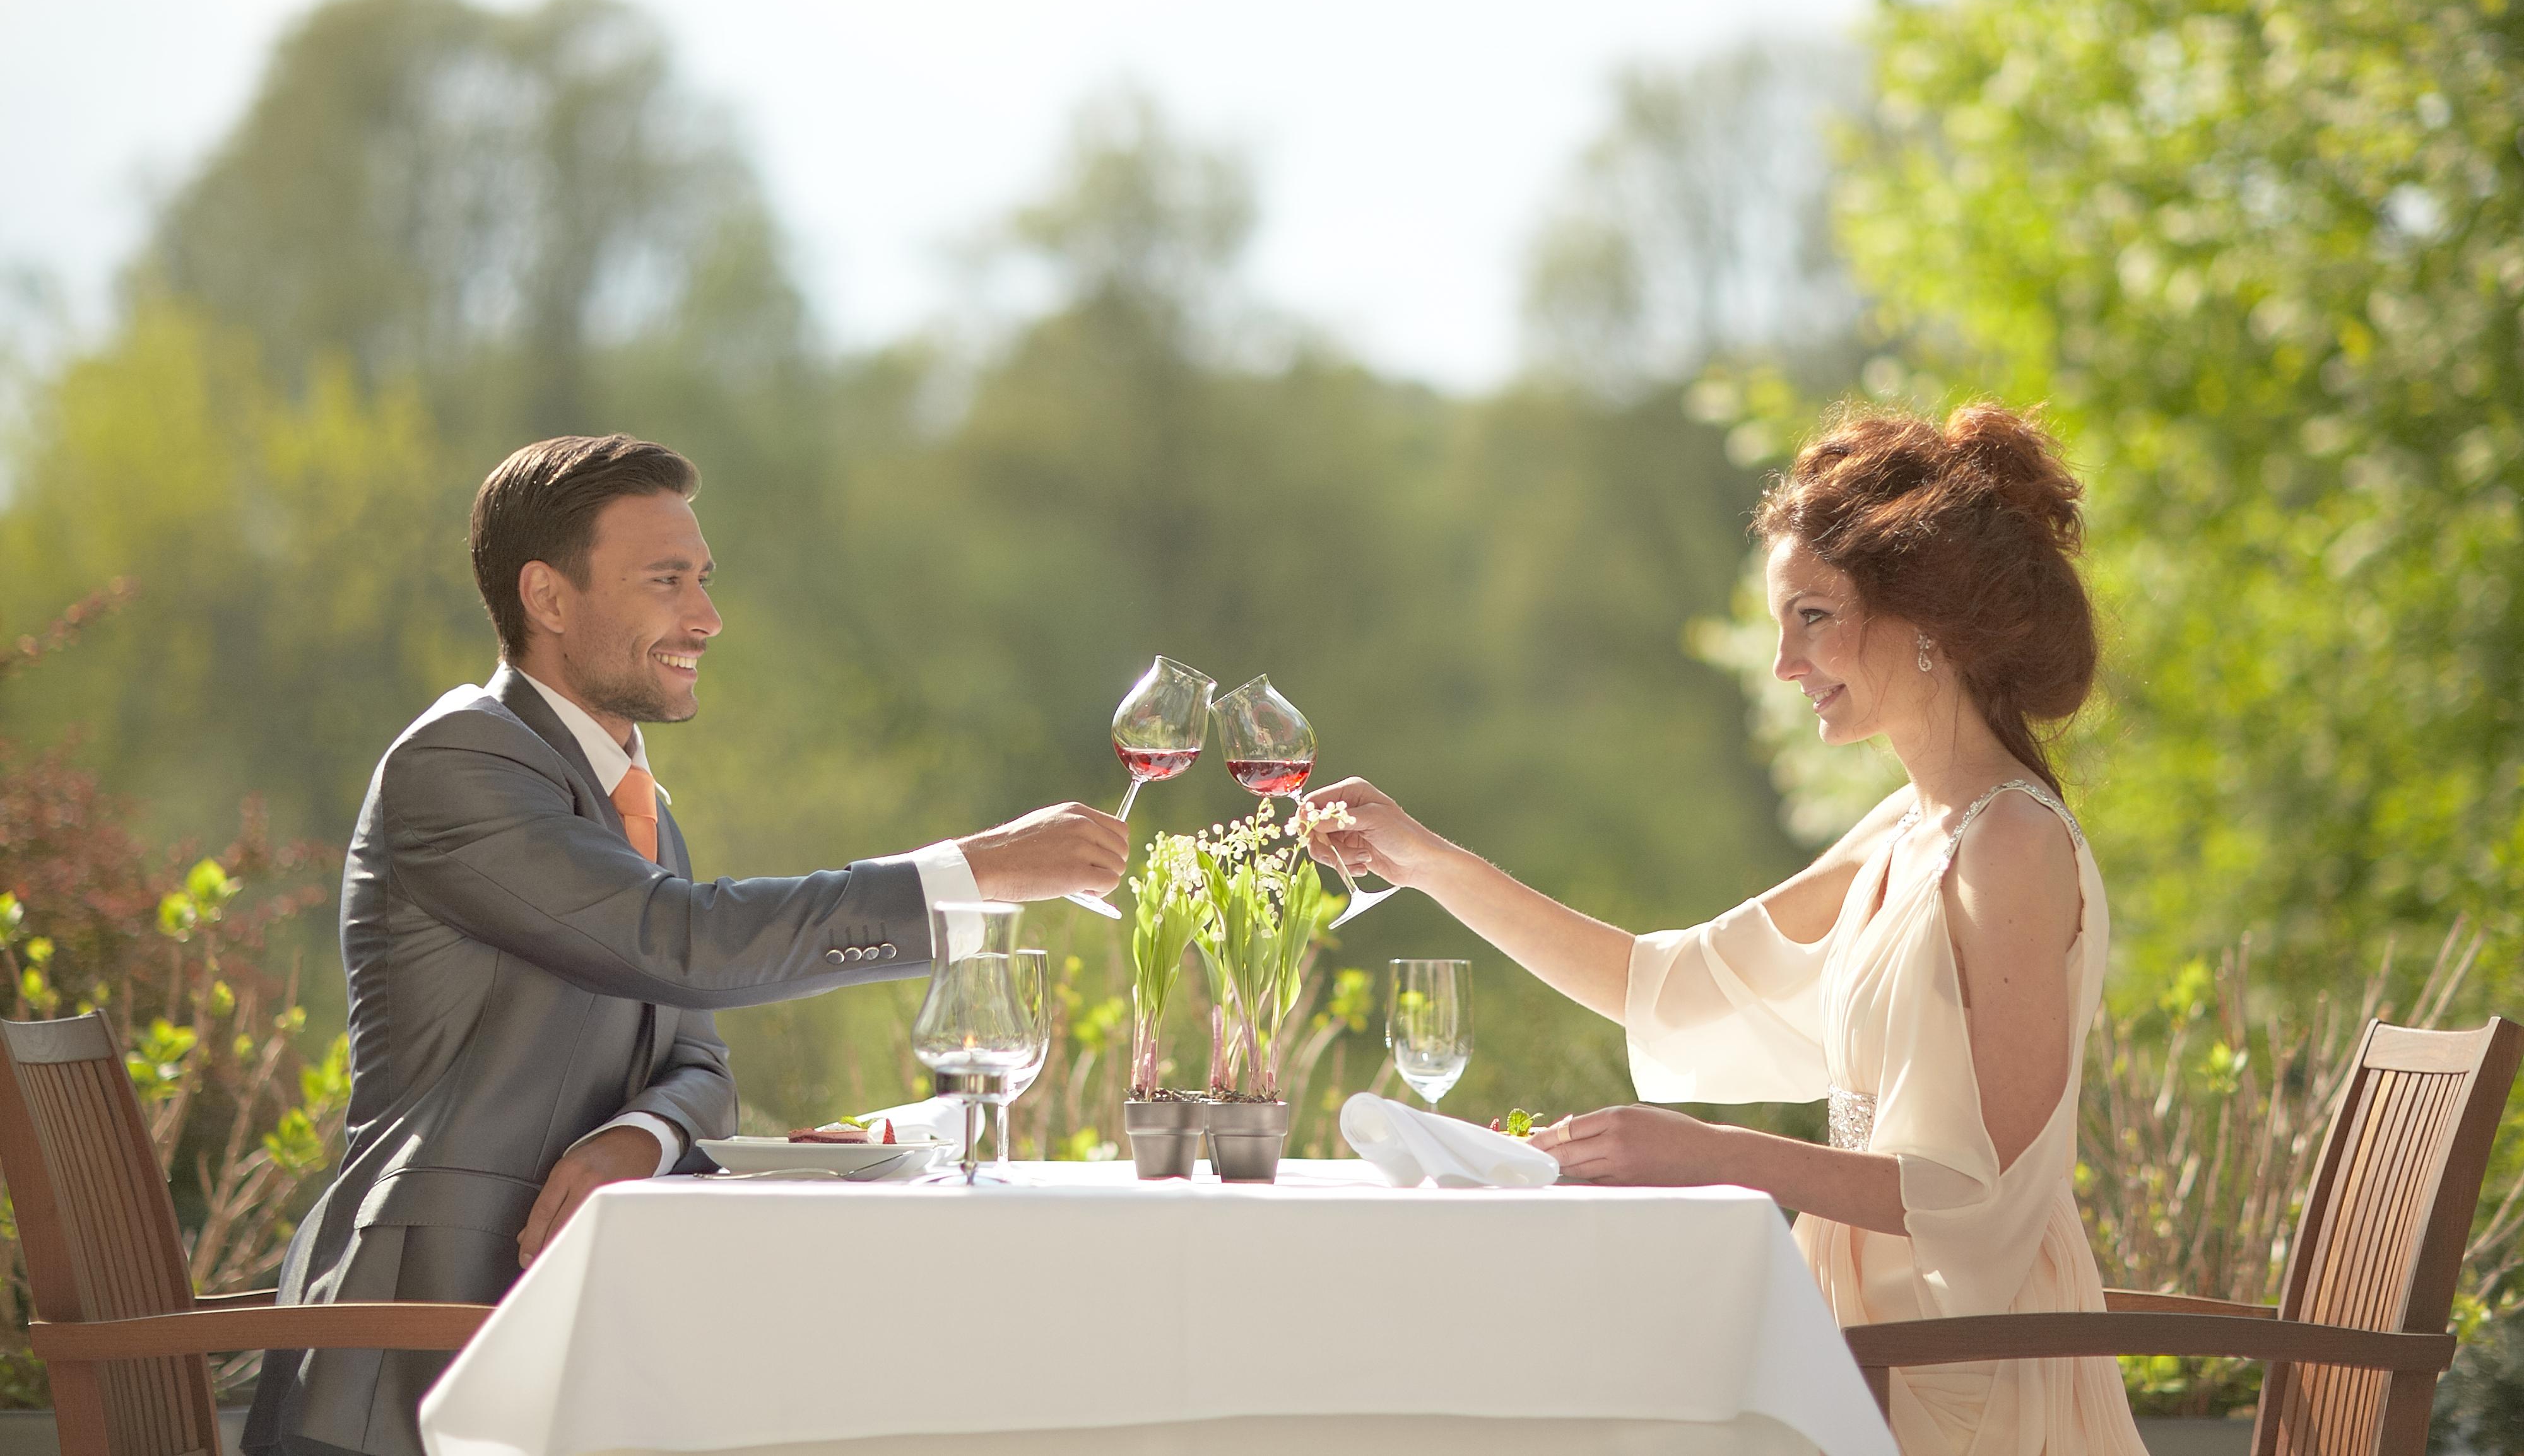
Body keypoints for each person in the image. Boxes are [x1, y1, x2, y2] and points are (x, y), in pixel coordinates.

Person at [244, 435, 1127, 1456]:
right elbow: (687, 944)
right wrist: (974, 871)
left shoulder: (634, 800)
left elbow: (698, 1061)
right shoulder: (460, 761)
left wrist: (642, 1137)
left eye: (702, 580)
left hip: (578, 1330)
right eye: (666, 582)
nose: (705, 618)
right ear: (549, 597)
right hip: (420, 1342)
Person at [1311, 402, 2148, 1456]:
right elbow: (1660, 985)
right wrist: (1424, 861)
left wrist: (1712, 1153)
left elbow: (1983, 1203)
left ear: (1924, 617)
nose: (1786, 668)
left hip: (1951, 1366)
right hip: (1843, 1339)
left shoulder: (2011, 845)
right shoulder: (1906, 830)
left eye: (1811, 618)